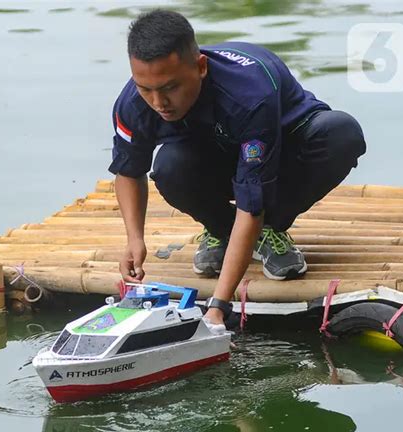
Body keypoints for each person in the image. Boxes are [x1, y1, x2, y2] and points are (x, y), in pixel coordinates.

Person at [109, 10, 366, 328]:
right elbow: (128, 171)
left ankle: (271, 230)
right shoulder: (134, 102)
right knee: (168, 167)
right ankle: (221, 230)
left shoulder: (249, 94)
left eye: (170, 88)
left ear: (201, 67)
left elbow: (251, 201)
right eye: (145, 88)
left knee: (341, 133)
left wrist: (218, 305)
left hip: (280, 154)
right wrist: (134, 239)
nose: (158, 101)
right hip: (217, 152)